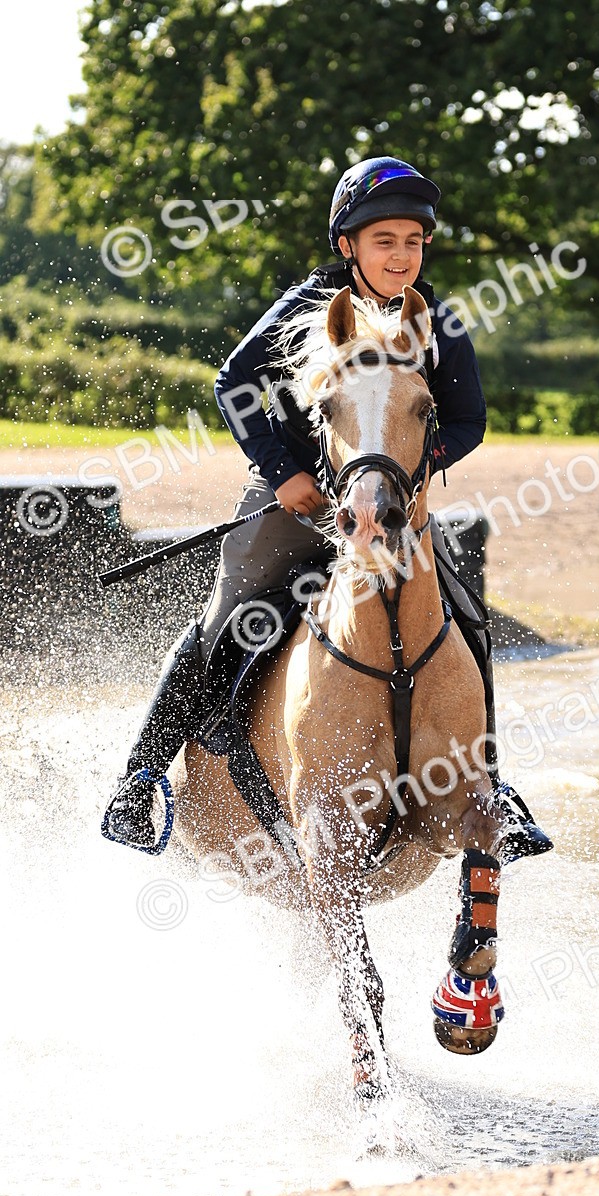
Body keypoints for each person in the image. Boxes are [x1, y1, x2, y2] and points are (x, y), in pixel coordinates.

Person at [103, 156, 552, 861]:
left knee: (466, 613)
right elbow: (233, 382)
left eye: (412, 241)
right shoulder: (307, 304)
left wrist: (409, 475)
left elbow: (467, 421)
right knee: (229, 610)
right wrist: (283, 473)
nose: (400, 255)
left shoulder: (440, 321)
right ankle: (141, 777)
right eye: (384, 241)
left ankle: (494, 782)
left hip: (396, 509)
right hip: (299, 500)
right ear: (348, 245)